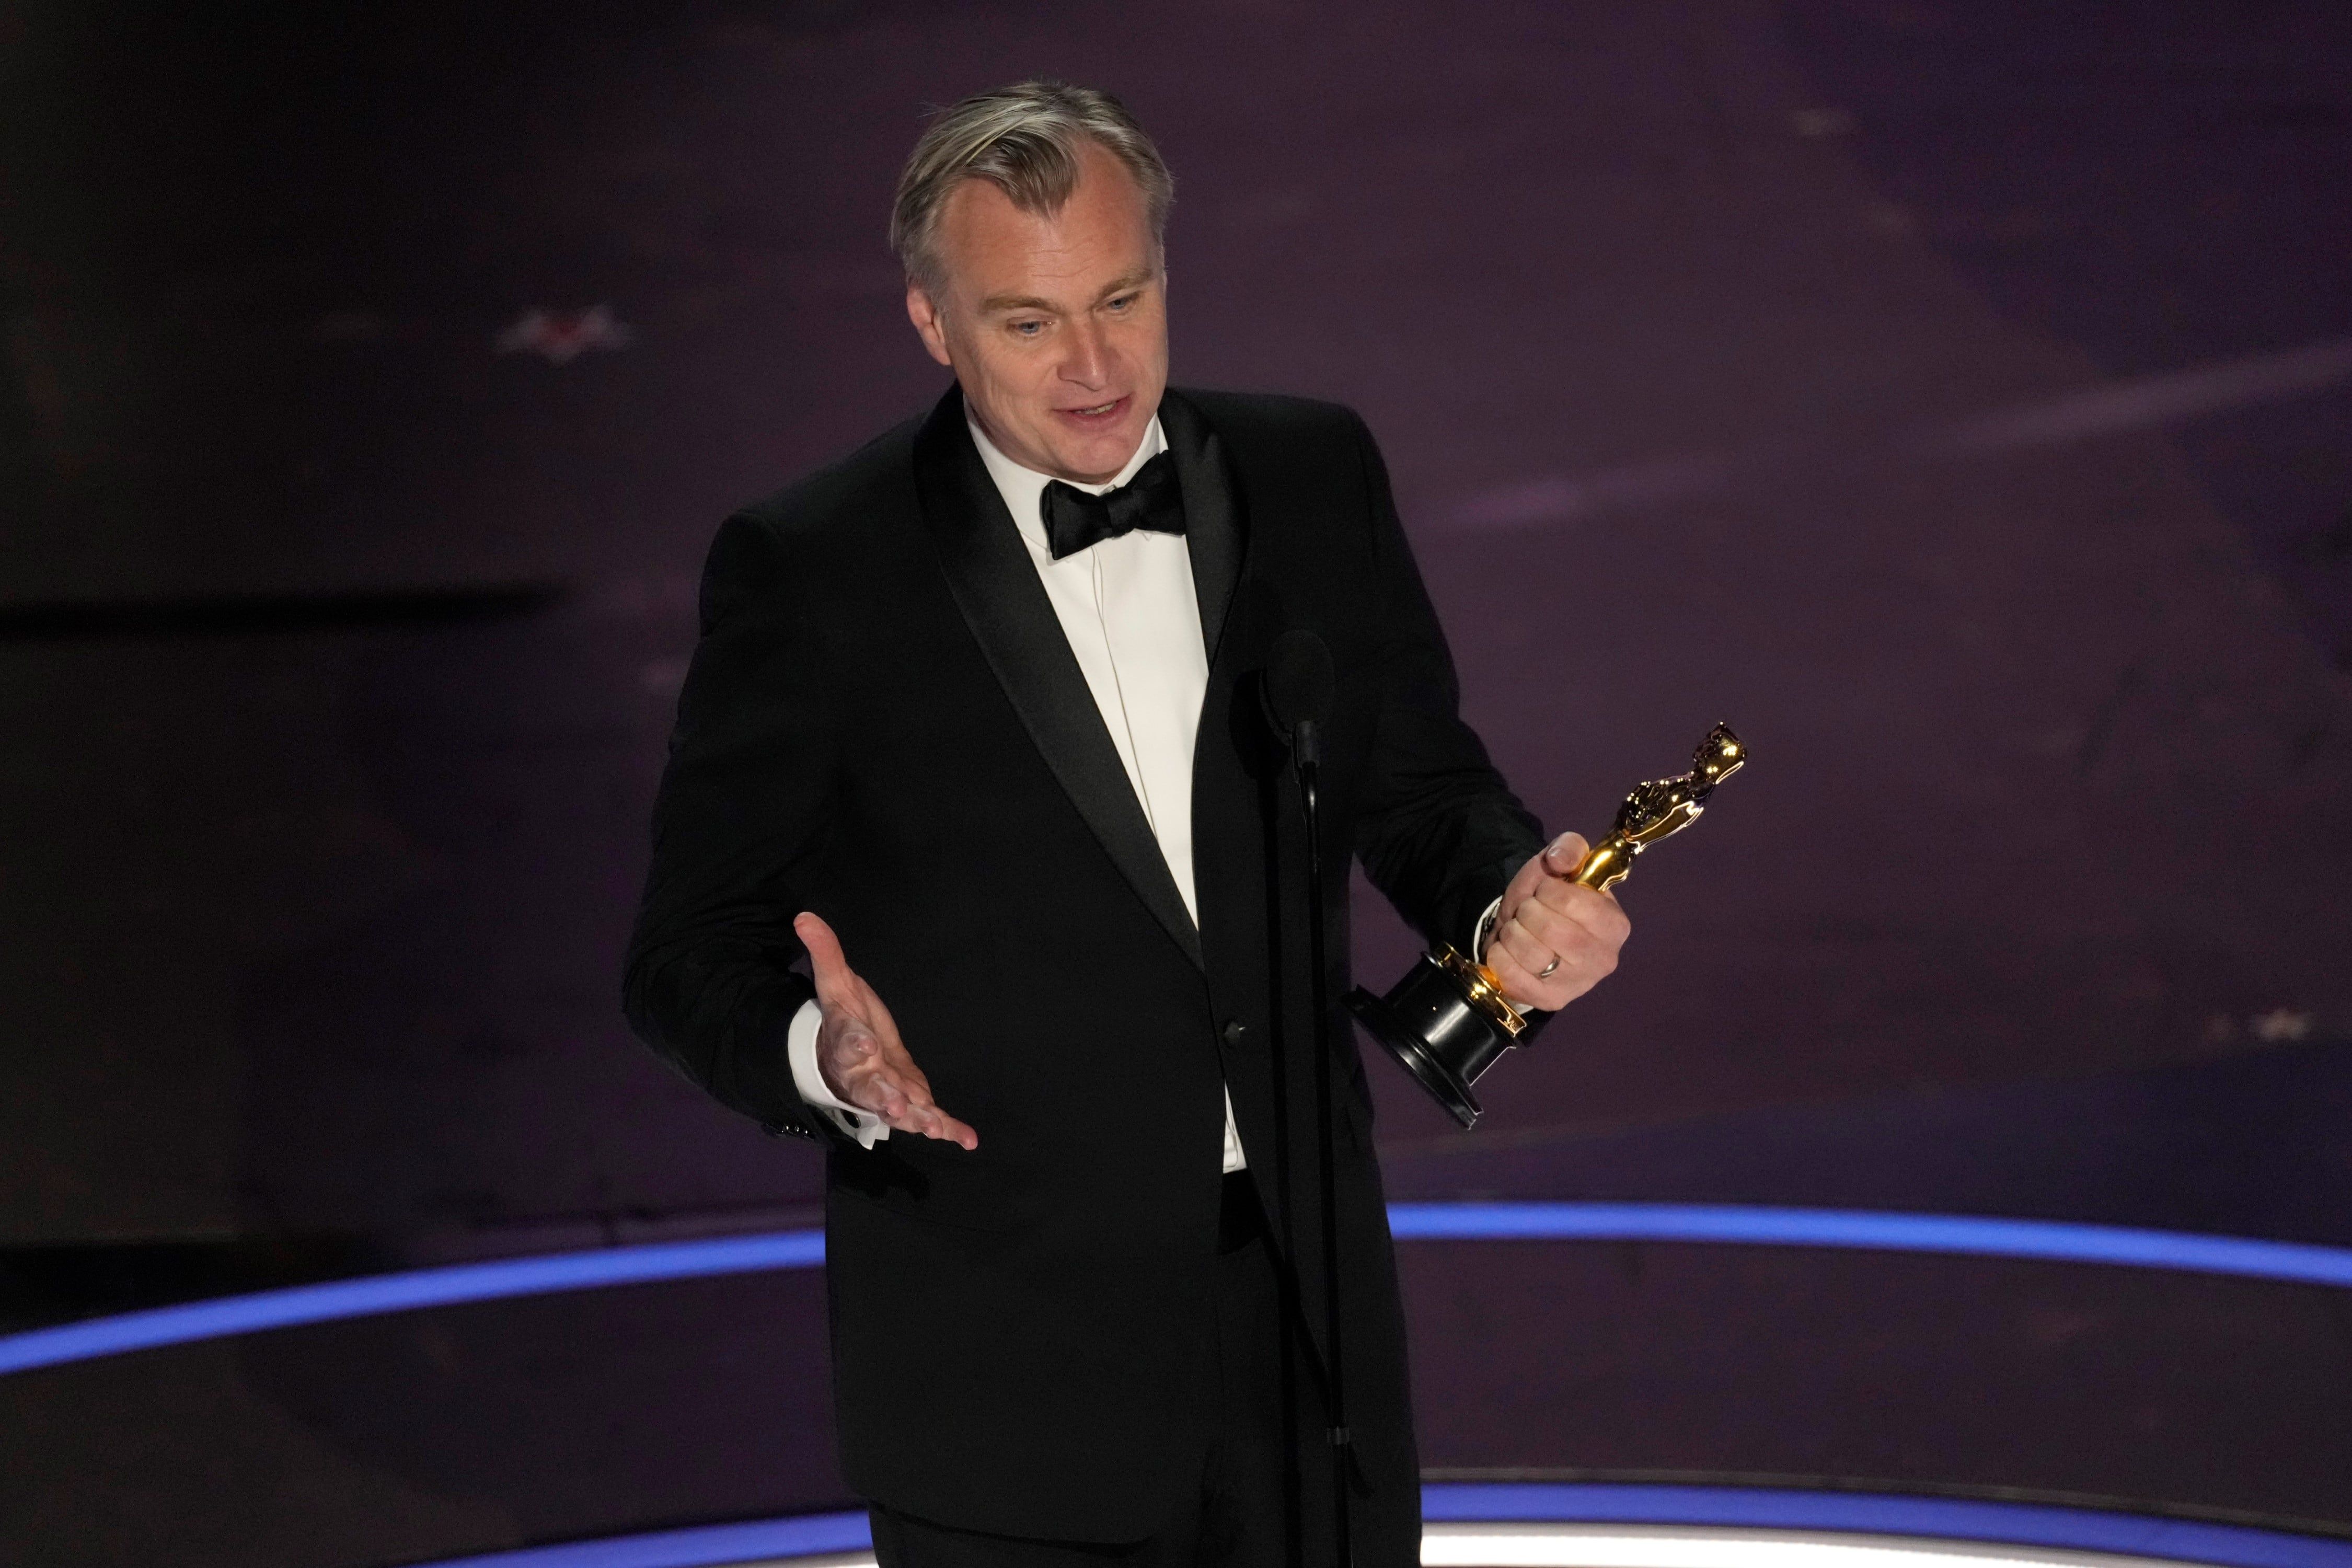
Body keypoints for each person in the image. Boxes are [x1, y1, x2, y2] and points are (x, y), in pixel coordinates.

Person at [624, 81, 1630, 1568]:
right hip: (1010, 1355)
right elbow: (687, 948)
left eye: (1122, 297)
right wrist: (817, 1053)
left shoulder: (1310, 471)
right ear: (931, 323)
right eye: (1027, 322)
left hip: (1308, 1339)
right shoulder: (813, 569)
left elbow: (1418, 791)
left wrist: (1507, 903)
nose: (1093, 365)